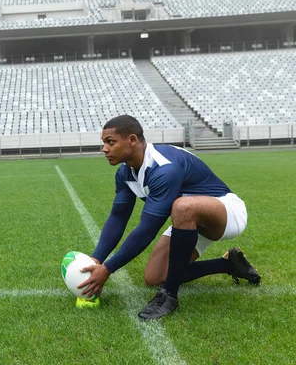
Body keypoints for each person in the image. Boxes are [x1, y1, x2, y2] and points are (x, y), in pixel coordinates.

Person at [77, 115, 260, 319]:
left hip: (226, 212)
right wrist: (96, 259)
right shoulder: (125, 173)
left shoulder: (164, 167)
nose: (104, 149)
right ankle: (229, 264)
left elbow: (147, 229)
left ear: (132, 140)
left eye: (110, 142)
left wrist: (108, 269)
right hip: (189, 221)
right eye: (103, 143)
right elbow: (118, 217)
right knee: (155, 276)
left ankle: (169, 296)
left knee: (182, 207)